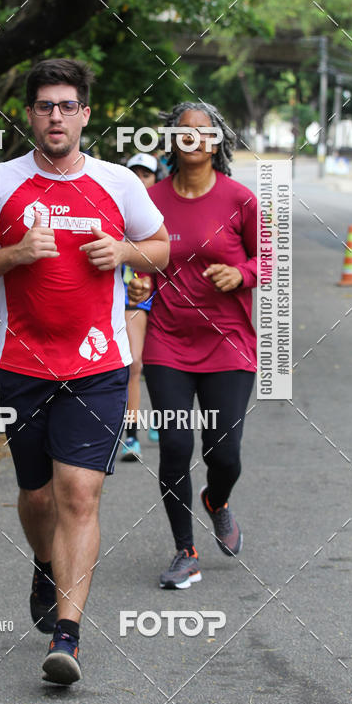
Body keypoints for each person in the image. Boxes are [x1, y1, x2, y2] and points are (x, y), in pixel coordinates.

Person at [0, 58, 169, 684]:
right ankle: (45, 565)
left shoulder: (118, 185)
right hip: (21, 363)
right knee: (37, 494)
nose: (56, 116)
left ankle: (67, 640)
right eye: (45, 105)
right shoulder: (1, 182)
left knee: (79, 493)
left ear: (85, 115)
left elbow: (160, 247)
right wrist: (15, 253)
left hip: (98, 363)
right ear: (30, 114)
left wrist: (124, 250)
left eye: (67, 105)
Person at [128, 102, 257, 590]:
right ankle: (186, 552)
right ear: (171, 142)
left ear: (218, 141)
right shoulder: (150, 199)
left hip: (228, 343)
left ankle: (217, 500)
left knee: (225, 453)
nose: (194, 140)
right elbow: (140, 260)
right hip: (169, 341)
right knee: (177, 445)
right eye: (184, 133)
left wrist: (241, 273)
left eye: (204, 133)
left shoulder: (239, 199)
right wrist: (138, 285)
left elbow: (266, 259)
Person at [120, 153, 159, 461]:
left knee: (149, 363)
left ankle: (147, 425)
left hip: (159, 295)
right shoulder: (116, 205)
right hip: (122, 293)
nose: (140, 179)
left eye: (147, 174)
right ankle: (129, 434)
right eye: (135, 173)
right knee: (133, 364)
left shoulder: (163, 211)